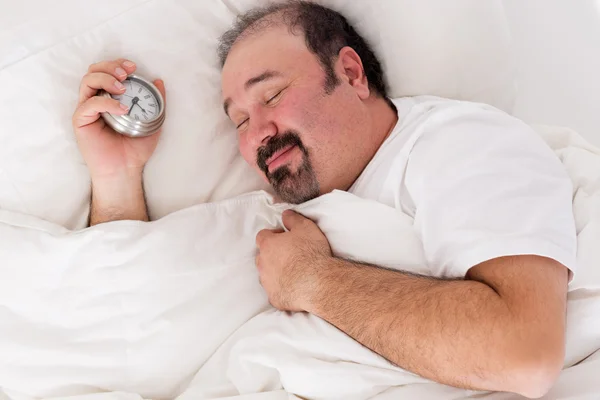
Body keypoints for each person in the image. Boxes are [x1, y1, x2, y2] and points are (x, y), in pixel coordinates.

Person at [72, 1, 577, 398]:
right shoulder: (289, 218)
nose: (256, 137)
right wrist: (118, 175)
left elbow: (524, 354)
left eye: (270, 95)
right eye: (239, 121)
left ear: (352, 74)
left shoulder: (461, 143)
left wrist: (314, 281)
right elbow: (125, 331)